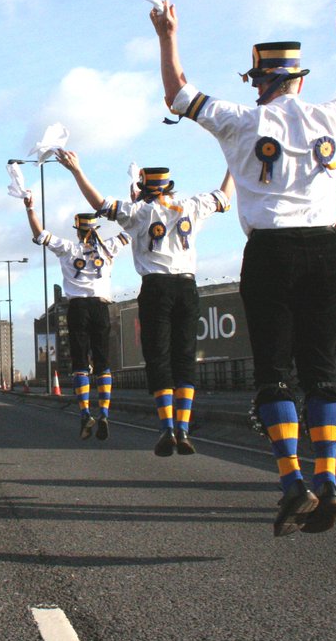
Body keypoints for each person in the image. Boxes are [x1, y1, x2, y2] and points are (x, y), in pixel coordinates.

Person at [150, 0, 336, 536]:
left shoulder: (241, 121)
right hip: (325, 248)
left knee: (274, 372)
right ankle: (328, 479)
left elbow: (178, 93)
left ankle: (291, 481)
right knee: (322, 372)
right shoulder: (331, 114)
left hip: (271, 251)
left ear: (261, 80)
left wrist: (167, 35)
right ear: (297, 79)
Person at [60, 151, 231, 455]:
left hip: (155, 288)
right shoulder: (192, 205)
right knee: (185, 357)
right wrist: (234, 162)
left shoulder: (137, 212)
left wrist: (76, 170)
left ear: (141, 188)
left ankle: (166, 427)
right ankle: (183, 427)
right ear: (169, 187)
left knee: (158, 357)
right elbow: (224, 194)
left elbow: (98, 204)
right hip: (187, 286)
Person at [23, 193, 130, 441]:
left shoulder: (69, 249)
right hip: (101, 307)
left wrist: (30, 209)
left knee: (80, 362)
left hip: (77, 308)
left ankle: (85, 412)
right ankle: (104, 411)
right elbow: (131, 231)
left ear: (77, 230)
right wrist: (134, 199)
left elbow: (41, 234)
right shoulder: (109, 247)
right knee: (102, 363)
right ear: (96, 229)